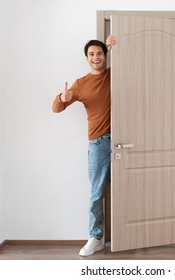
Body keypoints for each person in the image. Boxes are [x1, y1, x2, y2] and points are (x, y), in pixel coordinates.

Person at [52, 36, 116, 256]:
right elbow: (56, 108)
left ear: (105, 56)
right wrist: (62, 97)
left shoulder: (114, 75)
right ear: (87, 58)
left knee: (127, 189)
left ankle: (129, 236)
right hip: (98, 143)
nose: (96, 57)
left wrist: (117, 43)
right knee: (97, 193)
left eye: (99, 53)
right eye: (92, 54)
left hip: (121, 142)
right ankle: (95, 237)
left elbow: (130, 59)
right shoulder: (81, 83)